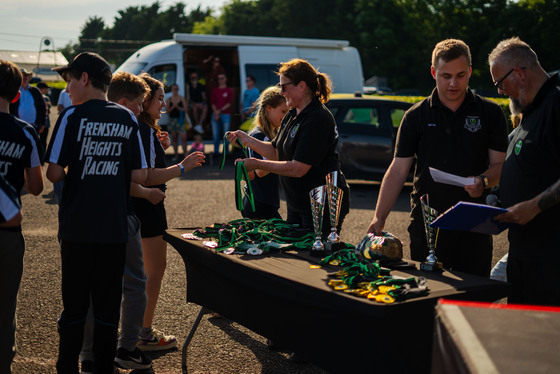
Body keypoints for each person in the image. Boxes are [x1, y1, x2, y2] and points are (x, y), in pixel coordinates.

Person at [367, 39, 508, 277]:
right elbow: (398, 170)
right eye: (446, 76)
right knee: (427, 296)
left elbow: (500, 166)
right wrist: (379, 218)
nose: (453, 83)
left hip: (473, 223)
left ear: (470, 72)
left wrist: (483, 181)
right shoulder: (415, 116)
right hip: (428, 223)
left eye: (461, 75)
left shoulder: (491, 113)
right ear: (433, 72)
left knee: (472, 298)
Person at [45, 52, 148, 374]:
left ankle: (68, 366)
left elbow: (53, 173)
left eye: (70, 80)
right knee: (106, 308)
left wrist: (79, 167)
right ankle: (103, 367)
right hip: (114, 228)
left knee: (75, 307)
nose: (68, 88)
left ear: (85, 79)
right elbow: (140, 175)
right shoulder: (127, 118)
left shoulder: (71, 117)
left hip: (77, 228)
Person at [77, 71, 154, 372]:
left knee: (92, 287)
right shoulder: (131, 125)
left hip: (84, 218)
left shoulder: (80, 120)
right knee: (134, 283)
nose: (140, 110)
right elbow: (138, 177)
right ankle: (128, 347)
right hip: (120, 216)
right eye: (138, 104)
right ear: (124, 102)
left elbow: (59, 174)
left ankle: (87, 354)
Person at [227, 58, 350, 235]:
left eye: (284, 87)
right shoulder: (292, 113)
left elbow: (298, 168)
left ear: (302, 86)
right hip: (297, 202)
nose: (281, 92)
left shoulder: (317, 118)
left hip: (320, 203)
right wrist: (247, 140)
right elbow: (276, 152)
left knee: (313, 256)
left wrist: (257, 163)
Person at [133, 73, 205, 352]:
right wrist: (183, 166)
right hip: (147, 207)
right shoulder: (144, 128)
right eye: (160, 98)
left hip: (137, 207)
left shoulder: (140, 127)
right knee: (154, 271)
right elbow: (147, 177)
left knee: (137, 272)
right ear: (146, 99)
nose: (163, 104)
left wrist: (160, 149)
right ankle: (143, 333)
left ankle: (131, 330)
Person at [488, 37, 560, 305]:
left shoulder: (555, 106)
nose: (498, 91)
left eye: (499, 83)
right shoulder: (529, 112)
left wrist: (533, 206)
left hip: (551, 264)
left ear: (518, 73)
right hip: (524, 258)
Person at [0, 59, 43, 374]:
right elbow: (37, 186)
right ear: (16, 95)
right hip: (7, 231)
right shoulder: (25, 132)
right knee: (4, 306)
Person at [241, 86, 287, 219]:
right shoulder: (259, 135)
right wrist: (285, 156)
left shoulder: (270, 133)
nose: (286, 116)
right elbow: (259, 171)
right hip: (259, 203)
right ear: (269, 109)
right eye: (283, 111)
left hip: (264, 201)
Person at [9, 68, 47, 152]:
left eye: (26, 75)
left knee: (32, 148)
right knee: (19, 148)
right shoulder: (14, 90)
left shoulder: (35, 91)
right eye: (22, 75)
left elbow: (42, 108)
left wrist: (42, 123)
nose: (24, 77)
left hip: (33, 126)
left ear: (29, 77)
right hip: (18, 126)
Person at [210, 73, 234, 157]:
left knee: (226, 135)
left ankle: (226, 153)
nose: (220, 80)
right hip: (215, 114)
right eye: (219, 79)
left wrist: (219, 111)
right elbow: (212, 103)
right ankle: (216, 153)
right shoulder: (215, 90)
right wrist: (216, 112)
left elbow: (229, 103)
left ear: (225, 79)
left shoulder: (229, 90)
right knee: (215, 135)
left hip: (225, 114)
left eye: (222, 78)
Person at [166, 83, 190, 161]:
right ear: (172, 90)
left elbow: (186, 110)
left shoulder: (182, 99)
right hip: (172, 120)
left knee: (183, 137)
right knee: (174, 138)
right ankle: (175, 154)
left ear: (178, 89)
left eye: (176, 89)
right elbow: (167, 111)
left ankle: (185, 154)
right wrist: (174, 106)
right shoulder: (169, 99)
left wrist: (178, 107)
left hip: (181, 120)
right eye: (173, 89)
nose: (175, 90)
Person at [36, 82, 52, 153]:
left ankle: (42, 156)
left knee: (43, 141)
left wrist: (47, 108)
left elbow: (49, 111)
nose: (46, 90)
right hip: (37, 122)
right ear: (41, 89)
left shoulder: (46, 98)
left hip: (45, 123)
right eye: (45, 88)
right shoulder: (34, 97)